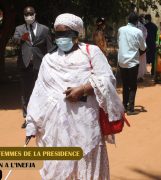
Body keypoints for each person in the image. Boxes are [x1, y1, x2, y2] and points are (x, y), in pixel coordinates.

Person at [25, 13, 125, 179]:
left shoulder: (91, 52)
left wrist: (84, 89)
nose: (61, 38)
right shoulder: (49, 59)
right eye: (58, 34)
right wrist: (32, 124)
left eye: (65, 34)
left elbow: (107, 80)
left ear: (76, 34)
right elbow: (39, 93)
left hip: (85, 127)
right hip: (56, 128)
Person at [13, 6, 53, 128]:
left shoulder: (44, 29)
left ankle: (42, 118)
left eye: (30, 14)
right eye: (26, 14)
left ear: (35, 14)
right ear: (23, 15)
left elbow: (50, 48)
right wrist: (21, 39)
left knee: (42, 92)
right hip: (25, 65)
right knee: (26, 92)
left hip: (40, 65)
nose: (28, 16)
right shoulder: (19, 29)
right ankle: (27, 118)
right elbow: (14, 40)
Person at [117, 13, 146, 115]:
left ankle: (124, 106)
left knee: (125, 84)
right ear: (137, 21)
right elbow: (143, 47)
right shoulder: (138, 31)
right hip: (133, 62)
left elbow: (119, 42)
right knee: (132, 85)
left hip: (122, 61)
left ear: (128, 20)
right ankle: (130, 109)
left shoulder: (121, 29)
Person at [137, 14, 147, 82]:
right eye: (142, 18)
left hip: (136, 46)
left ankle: (138, 76)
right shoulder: (142, 27)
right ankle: (140, 76)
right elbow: (145, 35)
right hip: (141, 46)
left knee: (138, 61)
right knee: (141, 62)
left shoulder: (142, 26)